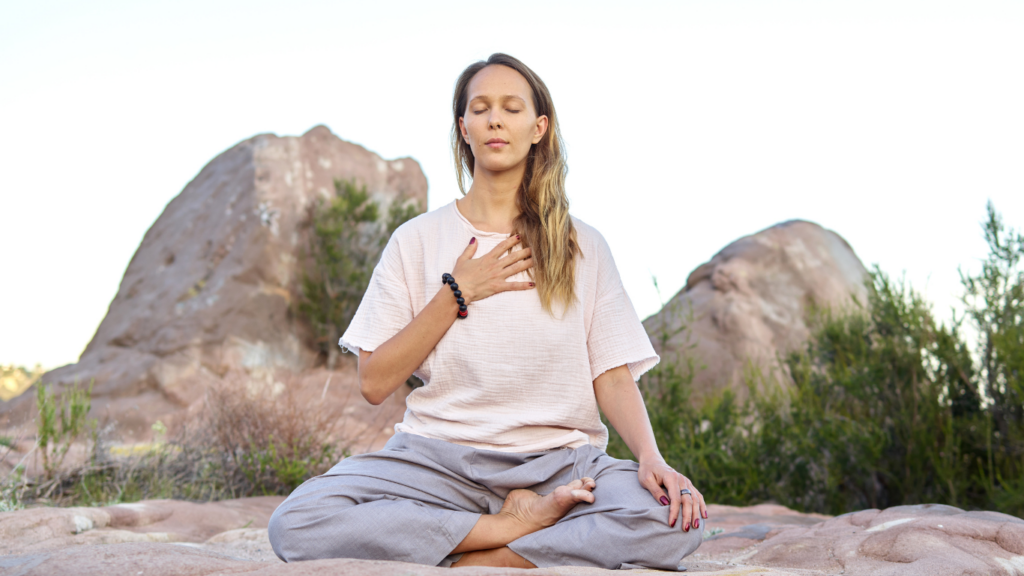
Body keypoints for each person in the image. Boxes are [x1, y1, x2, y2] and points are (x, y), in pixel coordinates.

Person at [268, 53, 707, 570]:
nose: (495, 119)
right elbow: (374, 380)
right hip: (435, 461)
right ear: (464, 127)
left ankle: (495, 556)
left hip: (559, 465)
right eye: (480, 109)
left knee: (673, 523)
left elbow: (610, 375)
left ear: (538, 127)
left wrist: (652, 460)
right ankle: (508, 528)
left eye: (511, 108)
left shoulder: (582, 245)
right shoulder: (417, 240)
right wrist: (457, 293)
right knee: (297, 522)